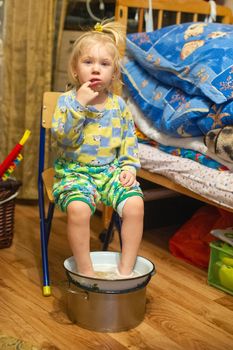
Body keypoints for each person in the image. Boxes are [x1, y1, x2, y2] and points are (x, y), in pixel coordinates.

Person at [51, 20, 144, 278]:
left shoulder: (118, 106)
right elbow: (63, 139)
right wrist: (79, 105)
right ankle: (86, 272)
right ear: (75, 69)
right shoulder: (67, 102)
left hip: (110, 171)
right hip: (75, 173)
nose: (96, 69)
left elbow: (128, 140)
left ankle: (126, 272)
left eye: (104, 64)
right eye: (88, 62)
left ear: (113, 73)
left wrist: (128, 167)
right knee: (79, 209)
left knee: (135, 204)